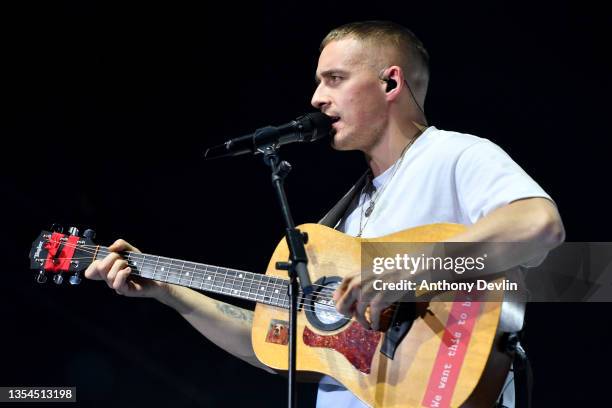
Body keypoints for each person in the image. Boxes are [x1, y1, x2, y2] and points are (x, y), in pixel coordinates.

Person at [85, 21, 565, 407]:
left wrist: (407, 269)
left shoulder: (453, 155)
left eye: (334, 79)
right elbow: (274, 346)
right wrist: (168, 291)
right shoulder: (345, 220)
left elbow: (539, 224)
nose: (316, 97)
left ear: (390, 81)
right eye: (319, 81)